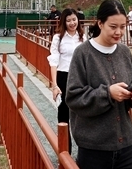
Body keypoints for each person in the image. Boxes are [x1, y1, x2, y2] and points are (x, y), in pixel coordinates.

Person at [65, 0, 132, 169]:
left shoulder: (124, 52)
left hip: (127, 145)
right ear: (100, 23)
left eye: (123, 27)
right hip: (94, 148)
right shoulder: (83, 53)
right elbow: (73, 97)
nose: (119, 32)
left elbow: (131, 84)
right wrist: (108, 93)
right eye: (113, 26)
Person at [48, 8, 85, 154]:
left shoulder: (82, 37)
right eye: (68, 20)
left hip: (81, 78)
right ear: (64, 21)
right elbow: (54, 60)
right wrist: (55, 84)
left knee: (83, 115)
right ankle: (65, 153)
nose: (72, 23)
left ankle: (84, 155)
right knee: (63, 116)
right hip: (63, 77)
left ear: (78, 20)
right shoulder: (58, 38)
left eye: (74, 19)